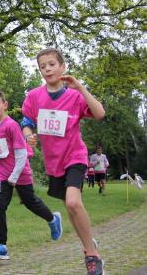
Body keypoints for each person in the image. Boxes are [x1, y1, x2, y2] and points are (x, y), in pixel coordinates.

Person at [21, 48, 106, 275]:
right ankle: (90, 246)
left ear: (62, 67)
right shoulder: (34, 96)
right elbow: (26, 121)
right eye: (42, 66)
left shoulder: (75, 96)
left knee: (72, 203)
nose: (47, 69)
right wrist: (29, 133)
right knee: (71, 208)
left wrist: (81, 88)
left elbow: (99, 113)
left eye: (51, 64)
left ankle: (93, 256)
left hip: (75, 156)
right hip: (53, 162)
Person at [0, 89, 62, 260]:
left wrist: (14, 177)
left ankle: (52, 219)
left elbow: (21, 154)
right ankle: (1, 246)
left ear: (5, 105)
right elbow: (4, 147)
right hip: (2, 173)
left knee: (30, 202)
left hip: (20, 173)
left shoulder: (11, 125)